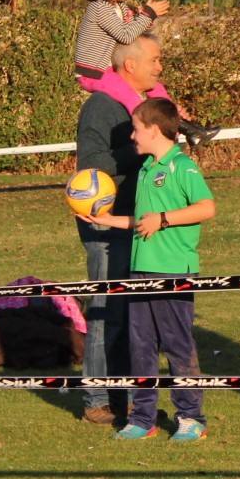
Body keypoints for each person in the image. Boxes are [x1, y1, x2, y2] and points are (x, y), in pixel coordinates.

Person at [82, 99, 218, 442]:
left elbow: (206, 207)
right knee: (140, 346)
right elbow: (142, 221)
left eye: (136, 128)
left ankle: (191, 417)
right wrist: (105, 220)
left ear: (154, 130)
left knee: (177, 345)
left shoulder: (181, 167)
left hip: (173, 272)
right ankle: (142, 418)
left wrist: (165, 219)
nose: (132, 135)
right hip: (140, 271)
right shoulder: (144, 169)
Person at [71, 37, 158, 426]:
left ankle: (123, 392)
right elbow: (92, 164)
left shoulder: (136, 106)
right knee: (107, 312)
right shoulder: (100, 108)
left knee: (130, 312)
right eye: (154, 60)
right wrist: (142, 147)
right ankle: (95, 399)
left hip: (135, 222)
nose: (160, 67)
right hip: (106, 227)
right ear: (130, 66)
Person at [73, 0, 219, 147]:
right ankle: (159, 133)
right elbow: (125, 36)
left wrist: (143, 16)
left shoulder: (121, 8)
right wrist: (148, 14)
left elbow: (135, 33)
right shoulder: (99, 8)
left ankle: (185, 126)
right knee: (131, 98)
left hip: (110, 69)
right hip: (95, 73)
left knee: (156, 89)